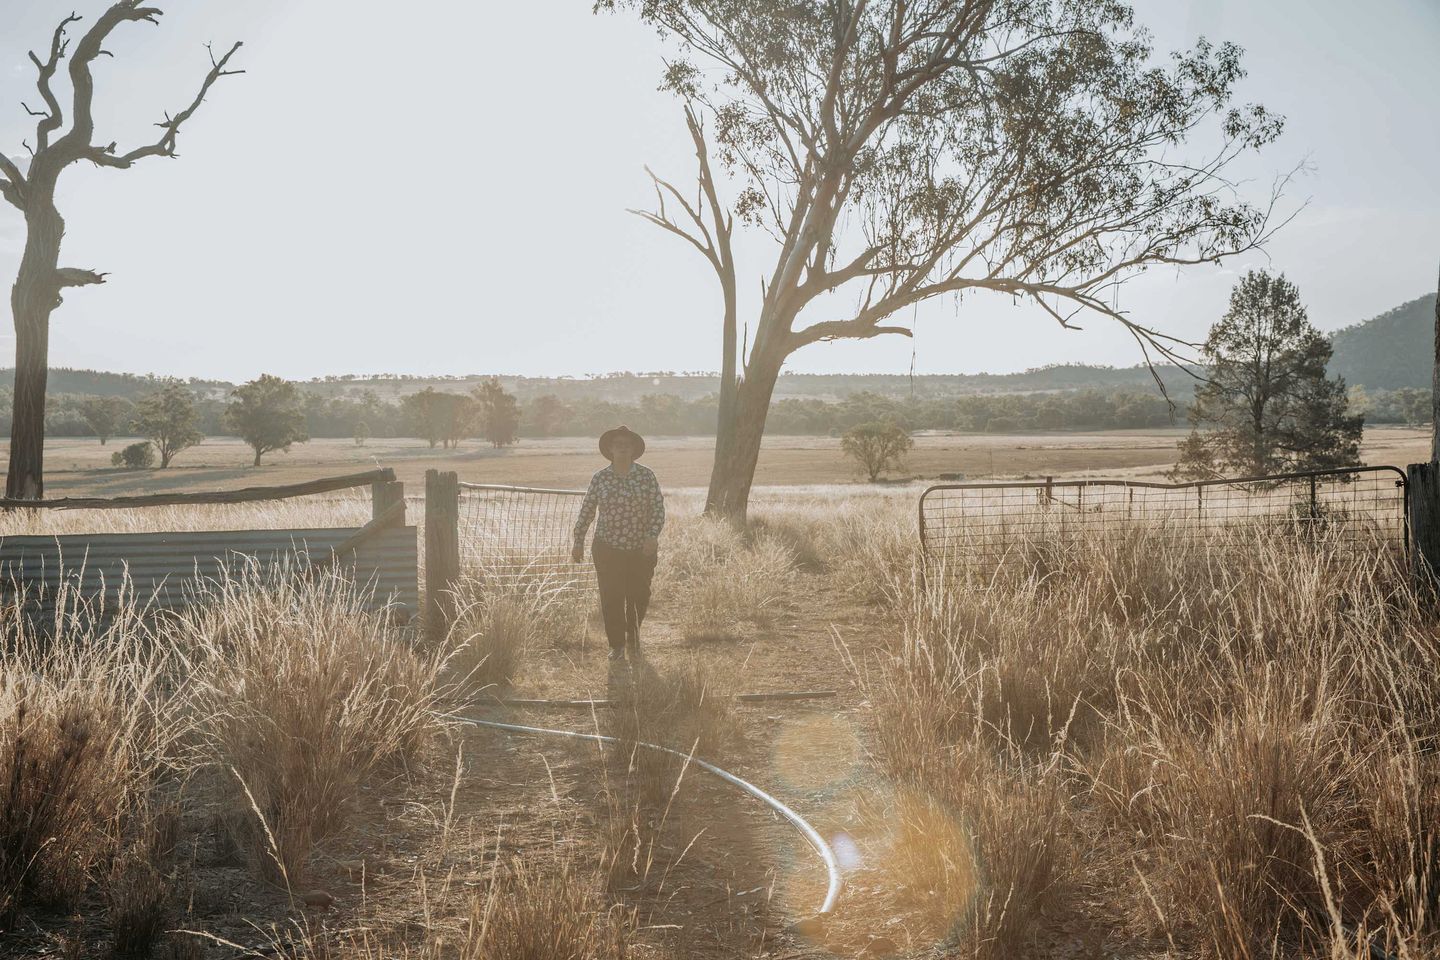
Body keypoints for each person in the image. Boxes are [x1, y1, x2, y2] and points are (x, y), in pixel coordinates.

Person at [571, 425, 665, 662]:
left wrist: (652, 536)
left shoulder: (646, 476)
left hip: (640, 549)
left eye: (627, 445)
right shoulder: (600, 478)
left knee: (639, 595)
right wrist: (578, 540)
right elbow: (587, 510)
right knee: (611, 597)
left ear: (633, 450)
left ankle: (633, 637)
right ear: (610, 449)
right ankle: (617, 645)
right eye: (618, 445)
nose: (623, 449)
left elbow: (657, 508)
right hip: (607, 548)